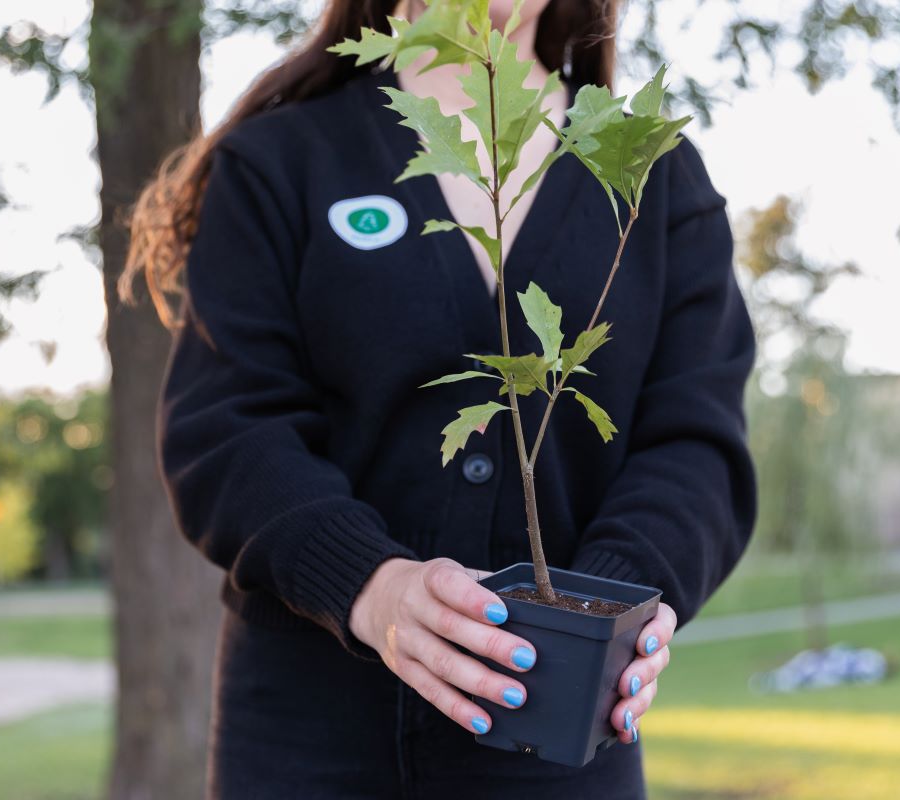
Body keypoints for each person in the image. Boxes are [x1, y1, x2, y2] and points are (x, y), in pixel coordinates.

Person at [126, 0, 757, 796]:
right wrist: (370, 585)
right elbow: (227, 431)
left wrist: (608, 606)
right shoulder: (283, 160)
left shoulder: (653, 179)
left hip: (559, 744)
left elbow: (695, 443)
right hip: (306, 734)